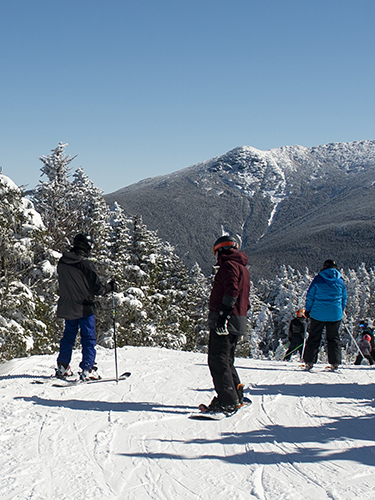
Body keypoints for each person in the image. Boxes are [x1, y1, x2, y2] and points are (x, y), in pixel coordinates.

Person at [56, 234, 116, 380]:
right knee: (88, 338)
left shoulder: (63, 261)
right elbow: (98, 289)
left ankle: (63, 366)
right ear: (86, 246)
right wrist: (111, 287)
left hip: (67, 305)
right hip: (84, 307)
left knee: (68, 336)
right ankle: (87, 368)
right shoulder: (86, 264)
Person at [202, 235, 250, 413]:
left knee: (217, 359)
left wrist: (222, 315)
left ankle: (227, 400)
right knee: (227, 359)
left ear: (220, 250)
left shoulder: (228, 266)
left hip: (226, 319)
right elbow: (245, 298)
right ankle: (236, 395)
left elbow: (232, 290)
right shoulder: (242, 268)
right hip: (238, 318)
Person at [303, 259, 347, 371]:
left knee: (314, 337)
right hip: (335, 315)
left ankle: (309, 362)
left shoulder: (318, 279)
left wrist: (308, 310)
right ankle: (335, 362)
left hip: (318, 314)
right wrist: (340, 311)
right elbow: (344, 298)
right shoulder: (340, 281)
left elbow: (310, 296)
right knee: (333, 338)